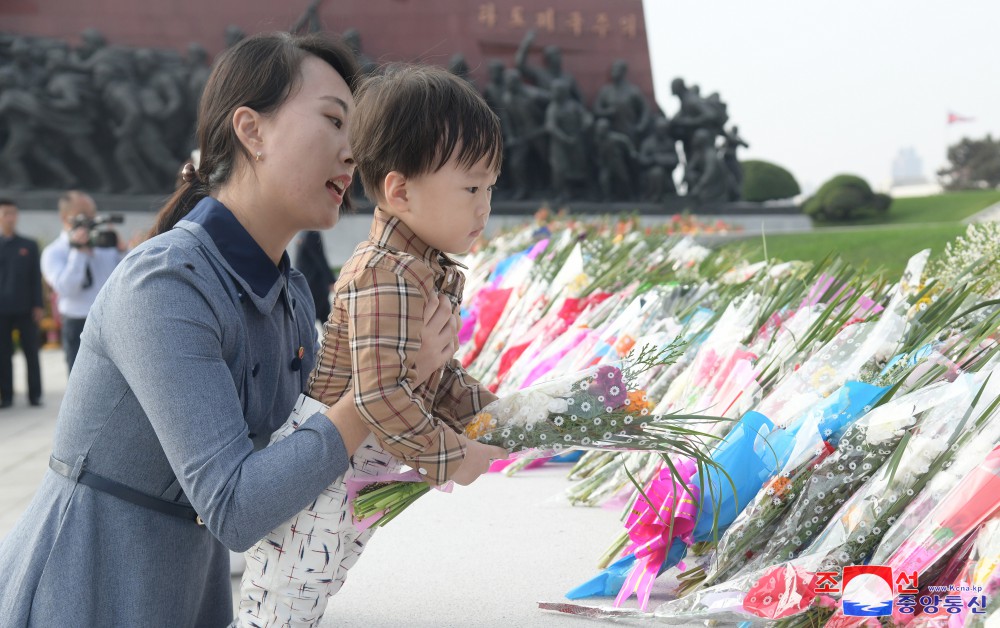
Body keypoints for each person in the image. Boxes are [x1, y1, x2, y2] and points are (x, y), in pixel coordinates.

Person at [0, 32, 457, 627]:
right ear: (252, 130)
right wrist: (383, 383)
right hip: (90, 587)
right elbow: (238, 506)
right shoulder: (165, 286)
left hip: (190, 592)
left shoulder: (288, 295)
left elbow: (304, 460)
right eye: (333, 121)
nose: (353, 154)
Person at [237, 64, 508, 627]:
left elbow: (435, 377)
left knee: (316, 585)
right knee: (285, 601)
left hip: (355, 465)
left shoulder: (421, 267)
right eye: (472, 187)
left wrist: (499, 417)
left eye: (492, 187)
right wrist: (453, 457)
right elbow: (380, 394)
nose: (485, 206)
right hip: (323, 468)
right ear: (401, 190)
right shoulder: (386, 272)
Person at [40, 191, 125, 373]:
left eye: (93, 215)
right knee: (78, 382)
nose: (92, 220)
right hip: (78, 321)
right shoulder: (54, 252)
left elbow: (124, 277)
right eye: (85, 216)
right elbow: (66, 288)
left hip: (110, 321)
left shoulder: (104, 244)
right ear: (65, 218)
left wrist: (124, 251)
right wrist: (79, 252)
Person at [0, 199, 43, 408]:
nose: (10, 218)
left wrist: (38, 305)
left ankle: (35, 395)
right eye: (6, 213)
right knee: (3, 354)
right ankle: (6, 396)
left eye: (13, 213)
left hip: (26, 308)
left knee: (31, 353)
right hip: (2, 310)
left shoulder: (28, 245)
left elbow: (36, 277)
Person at [294, 229, 336, 323]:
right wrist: (331, 281)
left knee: (320, 319)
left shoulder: (302, 233)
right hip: (315, 285)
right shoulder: (312, 234)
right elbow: (320, 259)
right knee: (316, 319)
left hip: (306, 284)